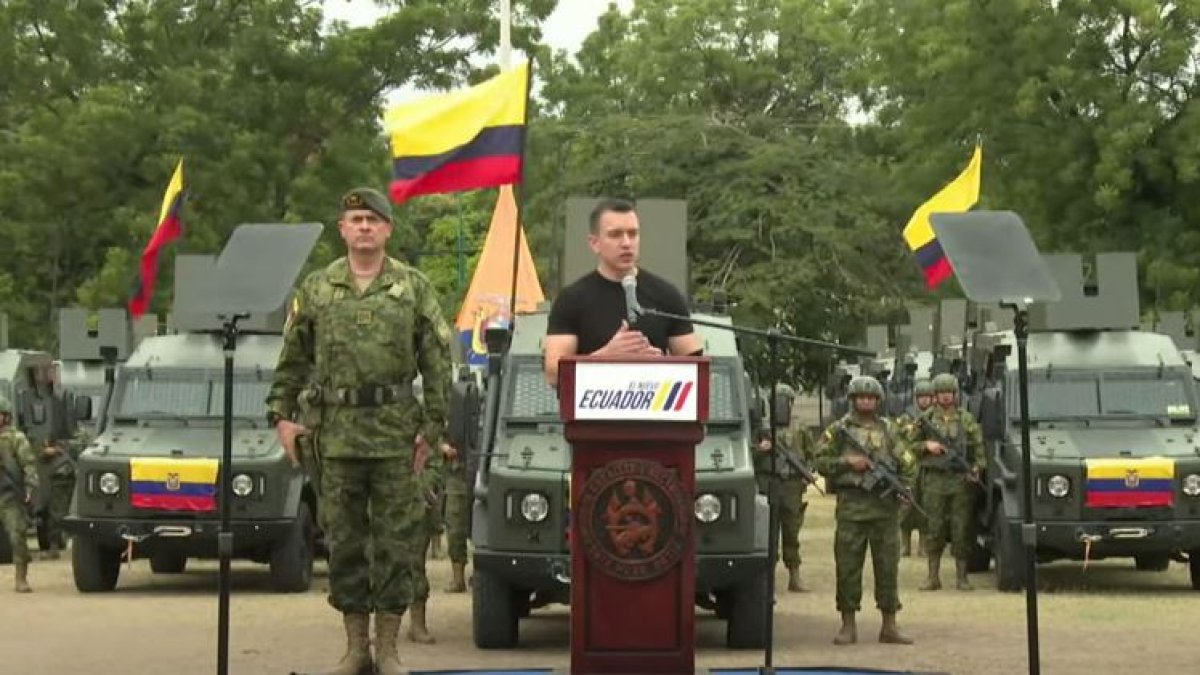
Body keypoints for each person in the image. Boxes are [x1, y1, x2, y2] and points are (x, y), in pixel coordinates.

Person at [266, 187, 453, 675]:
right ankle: (355, 648)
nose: (365, 226)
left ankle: (388, 648)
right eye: (356, 219)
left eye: (374, 218)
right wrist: (281, 416)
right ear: (342, 229)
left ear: (388, 229)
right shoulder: (318, 288)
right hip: (336, 434)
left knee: (396, 543)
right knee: (345, 541)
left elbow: (437, 361)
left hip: (395, 435)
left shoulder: (412, 287)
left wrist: (432, 427)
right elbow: (292, 358)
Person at [544, 198, 702, 385]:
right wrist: (606, 357)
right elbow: (554, 375)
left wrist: (661, 365)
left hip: (654, 409)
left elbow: (698, 371)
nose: (626, 243)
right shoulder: (571, 299)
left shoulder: (666, 295)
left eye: (633, 234)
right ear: (594, 243)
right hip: (595, 409)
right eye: (615, 235)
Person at [814, 376, 915, 646]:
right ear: (853, 399)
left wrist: (905, 488)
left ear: (879, 401)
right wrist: (848, 462)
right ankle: (848, 625)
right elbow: (819, 460)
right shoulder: (838, 430)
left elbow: (908, 461)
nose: (866, 402)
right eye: (861, 397)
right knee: (848, 568)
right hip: (852, 509)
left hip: (885, 510)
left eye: (871, 398)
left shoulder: (890, 430)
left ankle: (889, 624)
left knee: (888, 568)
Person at [907, 373, 985, 591]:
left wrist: (977, 468)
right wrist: (926, 446)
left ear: (955, 394)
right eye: (941, 393)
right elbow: (907, 445)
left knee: (961, 527)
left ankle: (962, 577)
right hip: (934, 480)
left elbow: (978, 446)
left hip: (960, 481)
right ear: (935, 395)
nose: (945, 398)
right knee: (934, 526)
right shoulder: (925, 420)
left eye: (949, 393)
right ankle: (933, 577)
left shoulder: (966, 419)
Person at [753, 382, 816, 592]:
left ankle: (794, 575)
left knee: (791, 531)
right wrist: (759, 449)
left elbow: (811, 454)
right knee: (769, 533)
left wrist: (807, 473)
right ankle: (767, 579)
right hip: (768, 482)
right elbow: (745, 454)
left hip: (791, 485)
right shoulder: (761, 428)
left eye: (786, 401)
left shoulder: (801, 427)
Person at [0, 394, 37, 593]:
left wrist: (30, 488)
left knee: (17, 536)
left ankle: (20, 577)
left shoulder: (16, 438)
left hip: (9, 496)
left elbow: (29, 464)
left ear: (5, 416)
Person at [895, 378, 934, 557]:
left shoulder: (935, 417)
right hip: (909, 467)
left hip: (928, 468)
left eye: (928, 397)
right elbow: (901, 441)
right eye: (921, 397)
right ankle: (905, 544)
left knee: (926, 506)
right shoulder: (906, 417)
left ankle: (923, 545)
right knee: (906, 507)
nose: (925, 401)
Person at [38, 427, 86, 560]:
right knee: (48, 515)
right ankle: (52, 546)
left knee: (56, 515)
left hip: (59, 485)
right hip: (53, 485)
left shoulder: (63, 453)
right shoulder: (56, 452)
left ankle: (54, 547)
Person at [440, 439, 470, 593]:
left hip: (480, 470)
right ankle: (458, 579)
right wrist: (442, 446)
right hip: (456, 476)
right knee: (455, 529)